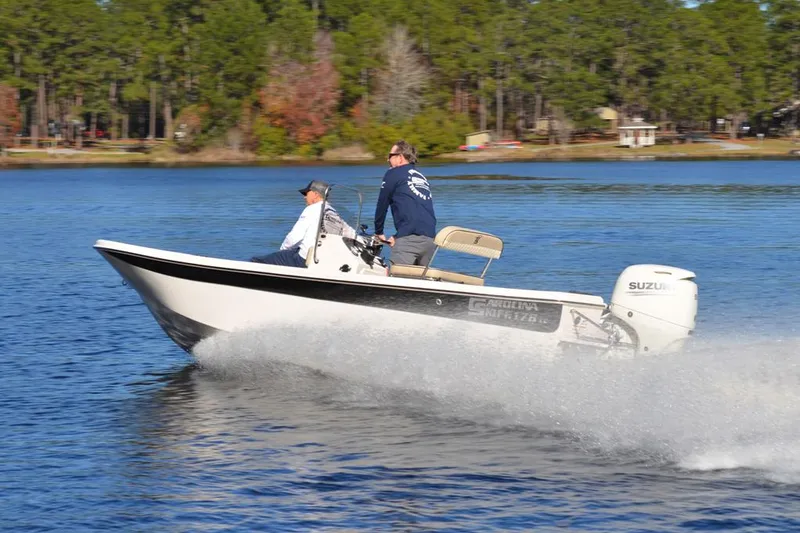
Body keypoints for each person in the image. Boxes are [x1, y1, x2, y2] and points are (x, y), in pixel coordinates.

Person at [252, 179, 351, 267]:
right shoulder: (334, 213)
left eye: (306, 193)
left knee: (257, 261)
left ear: (315, 194)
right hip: (325, 260)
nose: (304, 197)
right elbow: (351, 235)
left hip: (304, 259)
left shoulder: (312, 209)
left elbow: (295, 237)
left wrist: (282, 251)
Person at [374, 140, 437, 267]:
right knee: (420, 280)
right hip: (430, 240)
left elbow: (382, 204)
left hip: (409, 241)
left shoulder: (393, 173)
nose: (388, 159)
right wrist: (397, 236)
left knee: (397, 278)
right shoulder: (421, 176)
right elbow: (417, 213)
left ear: (400, 157)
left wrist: (379, 232)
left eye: (390, 156)